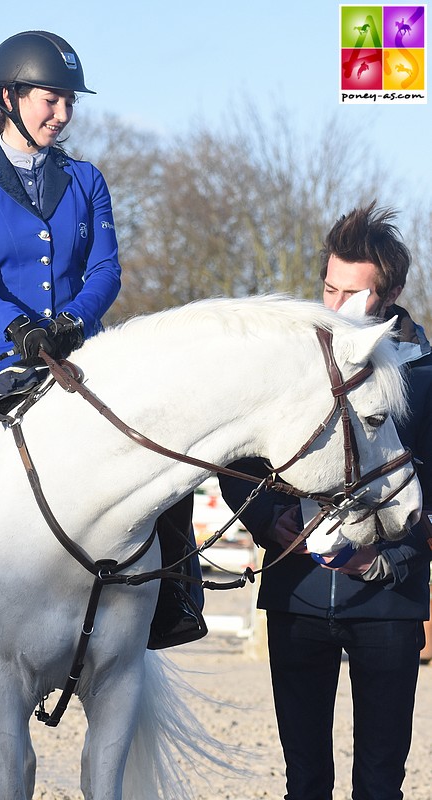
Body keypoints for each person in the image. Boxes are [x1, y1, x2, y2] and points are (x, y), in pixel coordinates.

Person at [0, 30, 202, 650]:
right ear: (9, 96)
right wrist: (15, 324)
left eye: (69, 103)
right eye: (51, 99)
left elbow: (106, 270)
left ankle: (176, 595)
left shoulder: (87, 181)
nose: (63, 114)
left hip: (82, 358)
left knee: (164, 452)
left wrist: (74, 321)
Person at [219, 202, 432, 800]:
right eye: (328, 287)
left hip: (390, 605)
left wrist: (386, 558)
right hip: (295, 598)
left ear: (387, 296)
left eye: (352, 293)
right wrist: (268, 520)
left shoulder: (425, 373)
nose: (333, 306)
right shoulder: (287, 365)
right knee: (304, 783)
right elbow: (235, 462)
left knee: (379, 785)